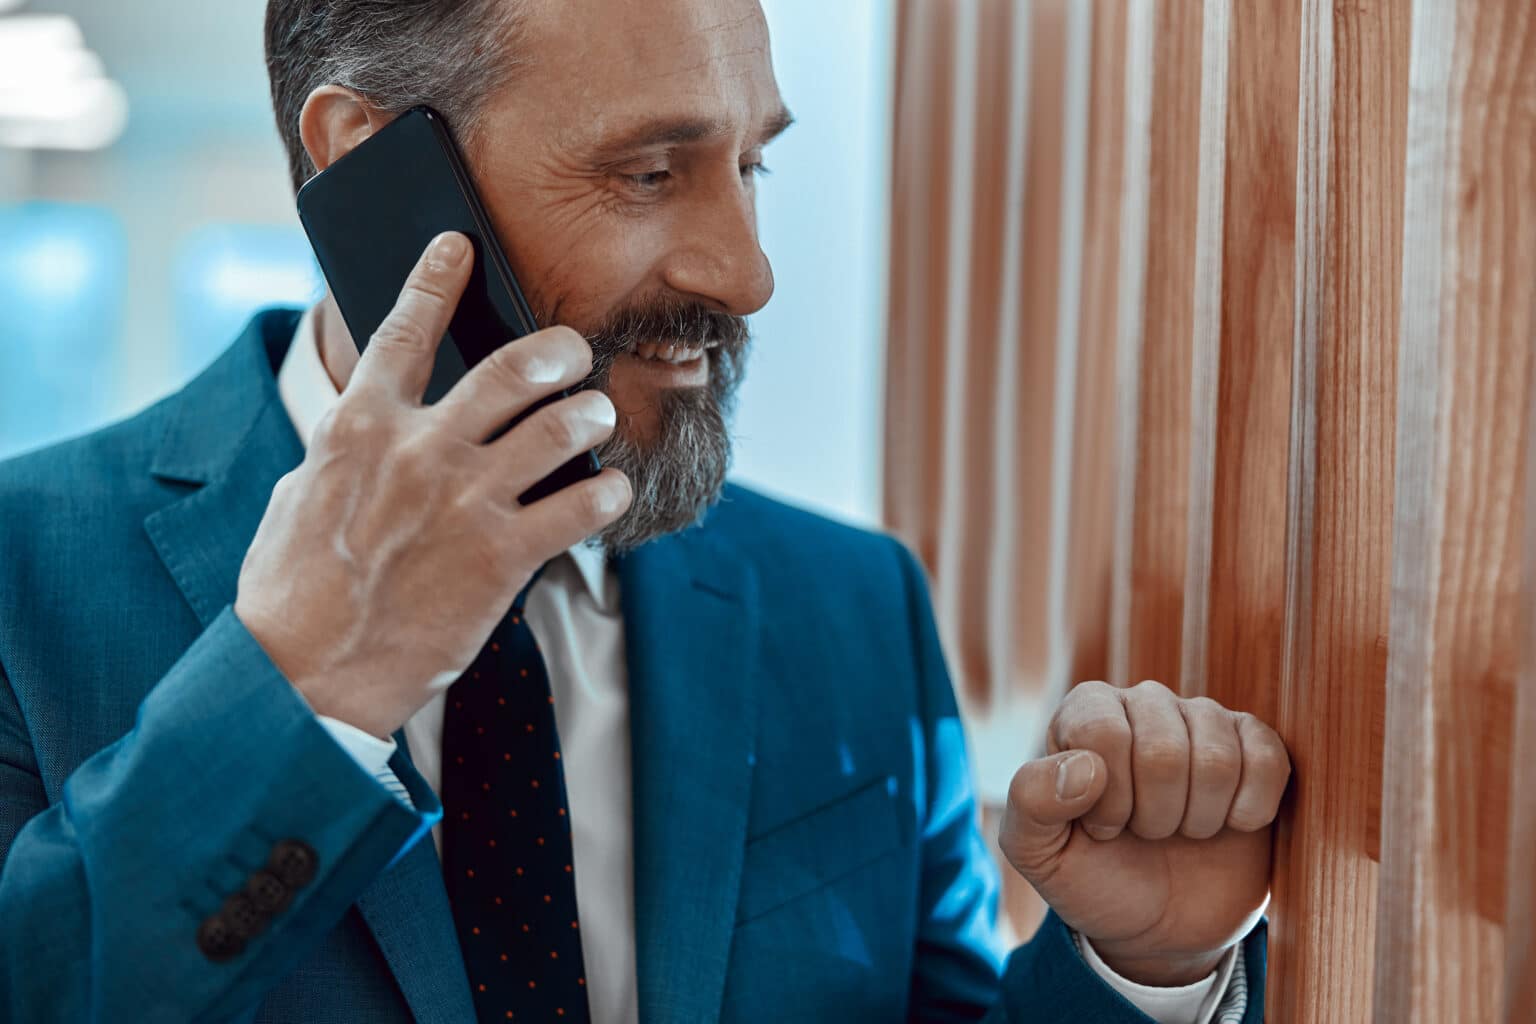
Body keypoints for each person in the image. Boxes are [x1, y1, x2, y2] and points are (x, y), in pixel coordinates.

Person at [0, 1, 1290, 1021]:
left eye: (752, 164)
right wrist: (304, 694)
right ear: (370, 160)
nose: (748, 272)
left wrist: (1144, 971)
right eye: (652, 171)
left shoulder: (851, 613)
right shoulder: (24, 578)